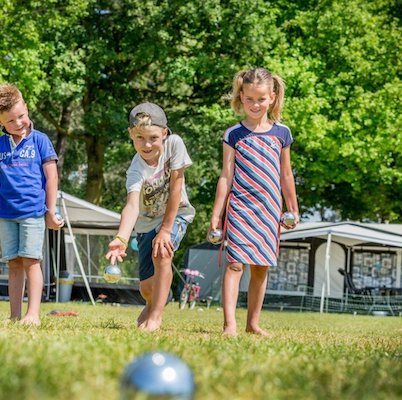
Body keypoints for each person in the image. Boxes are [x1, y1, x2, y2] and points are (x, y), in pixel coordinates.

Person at [209, 68, 299, 337]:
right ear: (241, 97)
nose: (255, 104)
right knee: (235, 264)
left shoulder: (281, 133)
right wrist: (217, 215)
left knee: (261, 266)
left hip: (269, 210)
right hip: (240, 208)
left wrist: (292, 208)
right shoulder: (233, 134)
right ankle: (230, 325)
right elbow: (225, 177)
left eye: (261, 99)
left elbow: (286, 174)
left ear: (272, 97)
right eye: (249, 99)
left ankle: (253, 323)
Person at [106, 102, 195, 332]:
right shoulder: (135, 169)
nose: (147, 145)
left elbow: (176, 187)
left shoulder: (174, 145)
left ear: (164, 133)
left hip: (176, 215)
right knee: (147, 288)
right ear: (131, 135)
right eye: (140, 138)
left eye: (153, 138)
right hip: (146, 225)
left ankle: (156, 317)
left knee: (163, 253)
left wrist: (166, 230)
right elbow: (132, 206)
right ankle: (153, 302)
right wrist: (121, 238)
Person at [0, 83, 64, 325]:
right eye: (10, 121)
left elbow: (52, 177)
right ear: (0, 122)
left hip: (32, 212)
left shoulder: (41, 141)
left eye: (21, 116)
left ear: (27, 109)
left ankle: (33, 314)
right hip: (6, 214)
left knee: (31, 261)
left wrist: (51, 212)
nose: (18, 123)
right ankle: (15, 315)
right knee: (14, 264)